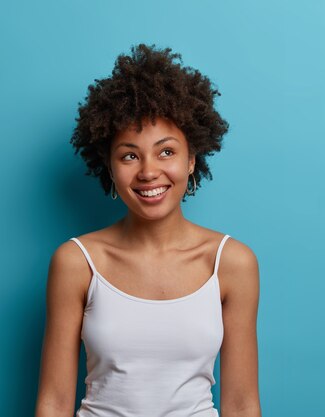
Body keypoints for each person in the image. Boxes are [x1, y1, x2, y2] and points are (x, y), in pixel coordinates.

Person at [35, 43, 262, 417]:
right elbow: (54, 402)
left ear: (192, 160)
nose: (148, 171)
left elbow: (241, 404)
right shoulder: (76, 261)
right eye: (129, 155)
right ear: (109, 168)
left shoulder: (231, 263)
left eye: (166, 151)